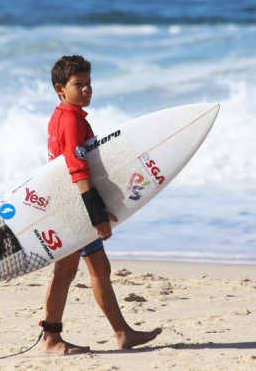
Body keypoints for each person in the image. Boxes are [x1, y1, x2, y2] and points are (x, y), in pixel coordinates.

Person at [40, 55, 162, 354]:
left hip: (75, 205)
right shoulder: (69, 121)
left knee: (99, 269)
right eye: (78, 85)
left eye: (88, 84)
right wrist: (97, 215)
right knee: (66, 273)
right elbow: (77, 170)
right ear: (60, 89)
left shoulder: (68, 116)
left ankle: (123, 333)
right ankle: (51, 339)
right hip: (75, 208)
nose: (86, 90)